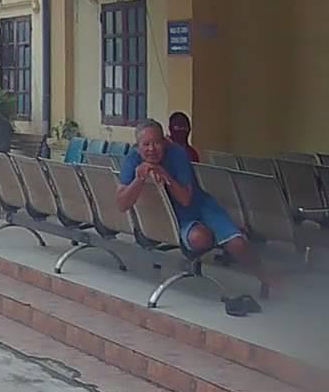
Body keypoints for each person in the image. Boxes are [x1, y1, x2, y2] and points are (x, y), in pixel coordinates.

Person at [116, 119, 274, 300]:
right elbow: (122, 204)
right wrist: (139, 179)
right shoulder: (132, 159)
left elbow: (185, 198)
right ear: (138, 147)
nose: (152, 149)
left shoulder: (178, 154)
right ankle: (225, 234)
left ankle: (265, 278)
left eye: (157, 143)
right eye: (146, 144)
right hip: (175, 217)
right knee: (199, 238)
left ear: (164, 142)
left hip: (200, 206)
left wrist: (163, 174)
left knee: (237, 244)